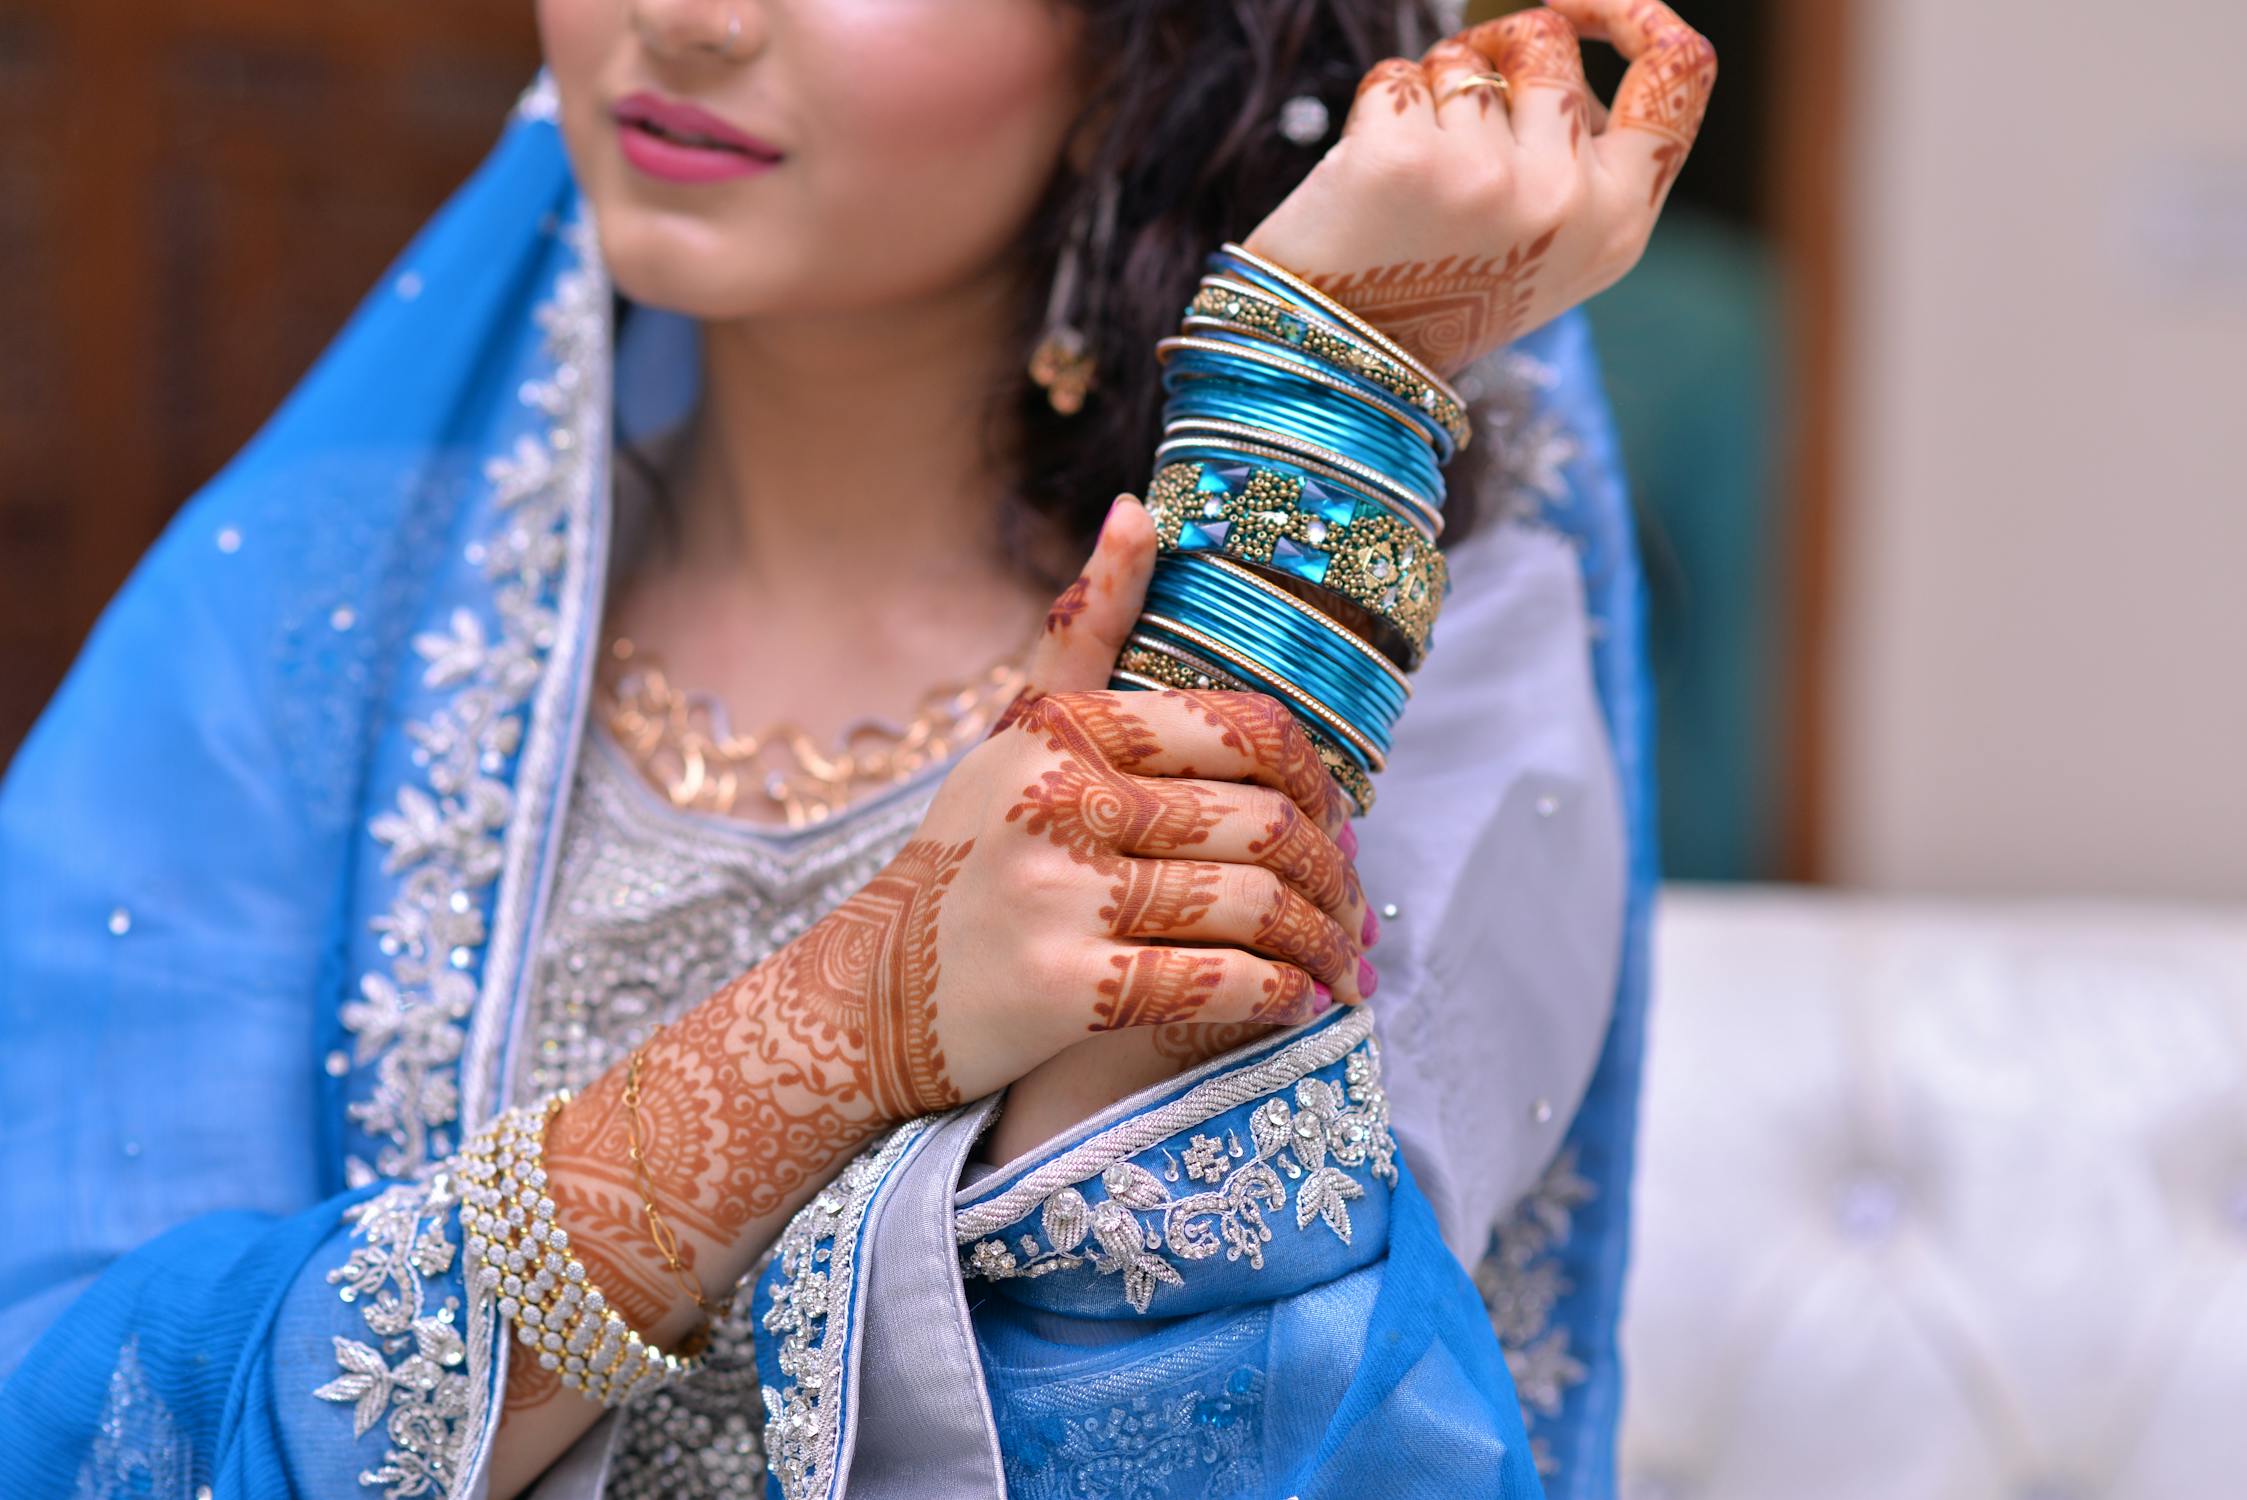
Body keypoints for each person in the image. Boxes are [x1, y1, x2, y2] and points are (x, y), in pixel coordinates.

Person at [0, 0, 1710, 1495]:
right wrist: (851, 1019)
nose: (688, 16)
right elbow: (75, 1415)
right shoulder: (310, 629)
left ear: (1152, 43)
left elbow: (1236, 1437)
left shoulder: (1438, 652)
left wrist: (1305, 452)